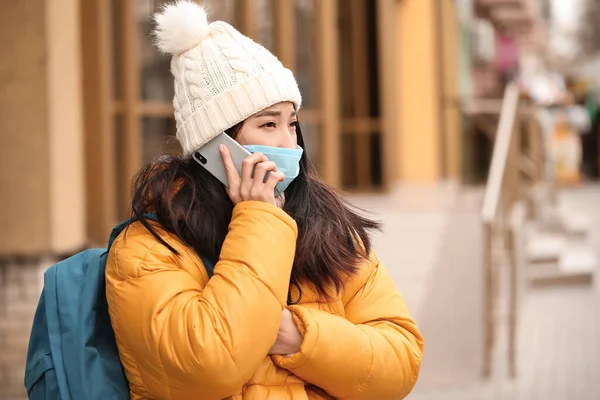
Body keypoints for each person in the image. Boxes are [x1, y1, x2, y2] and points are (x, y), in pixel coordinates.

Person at [105, 2, 423, 399]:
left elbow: (400, 359)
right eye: (268, 124)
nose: (288, 143)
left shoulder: (325, 225)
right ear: (214, 146)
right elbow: (209, 365)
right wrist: (258, 219)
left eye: (292, 124)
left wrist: (303, 339)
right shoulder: (150, 248)